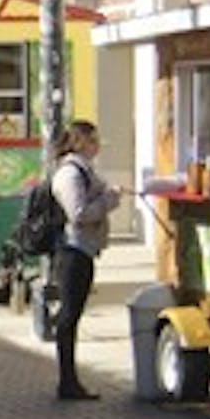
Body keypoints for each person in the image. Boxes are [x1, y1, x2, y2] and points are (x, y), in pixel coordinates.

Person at [51, 119, 124, 401]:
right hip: (73, 251)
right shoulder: (70, 174)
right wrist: (109, 200)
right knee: (69, 316)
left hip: (84, 250)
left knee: (73, 314)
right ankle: (67, 381)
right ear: (80, 142)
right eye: (93, 140)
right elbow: (78, 214)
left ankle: (69, 380)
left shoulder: (83, 171)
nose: (98, 146)